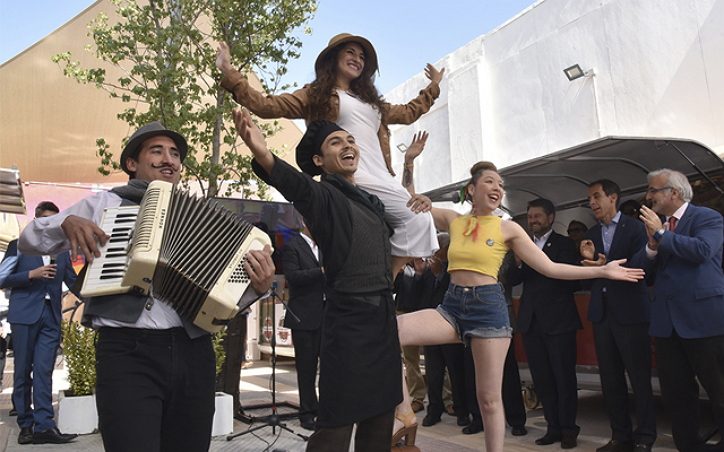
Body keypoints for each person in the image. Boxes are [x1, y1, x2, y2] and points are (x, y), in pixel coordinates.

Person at [18, 122, 275, 452]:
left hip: (193, 351)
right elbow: (29, 239)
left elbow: (227, 297)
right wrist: (63, 222)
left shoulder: (203, 217)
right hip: (127, 351)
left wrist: (259, 286)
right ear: (131, 163)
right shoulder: (104, 204)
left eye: (175, 154)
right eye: (157, 151)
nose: (169, 159)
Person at [394, 162, 646, 452]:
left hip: (488, 310)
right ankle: (404, 411)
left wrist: (602, 271)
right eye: (490, 182)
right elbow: (409, 201)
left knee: (489, 399)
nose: (498, 188)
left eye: (501, 185)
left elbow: (550, 267)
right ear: (472, 190)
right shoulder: (454, 220)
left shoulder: (508, 228)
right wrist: (409, 163)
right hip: (451, 306)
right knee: (390, 330)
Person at [233, 108, 429, 451]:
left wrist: (419, 198)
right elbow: (297, 185)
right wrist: (264, 155)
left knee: (380, 422)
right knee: (337, 427)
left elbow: (407, 219)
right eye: (336, 142)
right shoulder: (324, 196)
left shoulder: (372, 203)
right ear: (319, 161)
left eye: (350, 140)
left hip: (383, 323)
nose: (348, 145)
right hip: (349, 325)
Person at [217, 33, 445, 278]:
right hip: (352, 177)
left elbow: (409, 112)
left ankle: (385, 279)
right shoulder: (318, 95)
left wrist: (433, 86)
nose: (357, 59)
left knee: (417, 220)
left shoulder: (372, 104)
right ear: (334, 57)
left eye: (362, 57)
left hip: (382, 176)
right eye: (350, 52)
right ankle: (387, 278)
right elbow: (268, 105)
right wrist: (231, 75)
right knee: (417, 220)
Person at [638, 169, 724, 452]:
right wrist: (652, 247)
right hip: (667, 325)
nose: (648, 196)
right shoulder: (658, 227)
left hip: (705, 320)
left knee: (719, 390)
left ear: (673, 193)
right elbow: (642, 271)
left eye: (653, 190)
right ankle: (688, 446)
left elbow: (702, 250)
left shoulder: (707, 217)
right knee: (676, 394)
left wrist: (661, 234)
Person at [580, 179, 656, 452]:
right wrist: (592, 265)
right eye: (590, 199)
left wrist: (606, 266)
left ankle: (645, 436)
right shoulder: (590, 234)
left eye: (596, 196)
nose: (592, 203)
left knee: (639, 378)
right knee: (610, 380)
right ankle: (619, 436)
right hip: (602, 316)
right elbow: (587, 278)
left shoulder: (635, 228)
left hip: (631, 313)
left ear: (613, 197)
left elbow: (641, 270)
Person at [1, 202, 78, 445]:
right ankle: (26, 424)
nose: (50, 225)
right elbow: (1, 277)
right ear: (36, 221)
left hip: (51, 316)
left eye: (55, 220)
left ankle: (45, 425)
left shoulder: (62, 251)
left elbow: (73, 282)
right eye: (46, 220)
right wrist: (30, 275)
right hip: (24, 315)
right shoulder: (19, 246)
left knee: (44, 372)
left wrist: (100, 295)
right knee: (23, 370)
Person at [507, 198, 581, 448]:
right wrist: (518, 261)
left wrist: (532, 258)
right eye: (530, 217)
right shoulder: (523, 245)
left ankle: (569, 429)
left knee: (564, 378)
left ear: (550, 217)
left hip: (559, 321)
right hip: (531, 322)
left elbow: (568, 278)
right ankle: (553, 427)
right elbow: (513, 278)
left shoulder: (564, 244)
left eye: (537, 216)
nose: (533, 221)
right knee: (542, 379)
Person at [281, 223, 326, 431]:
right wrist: (321, 272)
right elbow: (293, 277)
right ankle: (307, 413)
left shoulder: (324, 247)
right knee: (306, 368)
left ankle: (324, 409)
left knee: (328, 366)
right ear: (304, 223)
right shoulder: (293, 246)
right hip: (304, 316)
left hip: (326, 315)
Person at [394, 257, 429, 414]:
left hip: (425, 311)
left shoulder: (428, 265)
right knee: (410, 359)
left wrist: (420, 273)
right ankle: (417, 397)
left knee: (436, 358)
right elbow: (394, 289)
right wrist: (396, 271)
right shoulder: (401, 267)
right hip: (403, 310)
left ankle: (447, 398)